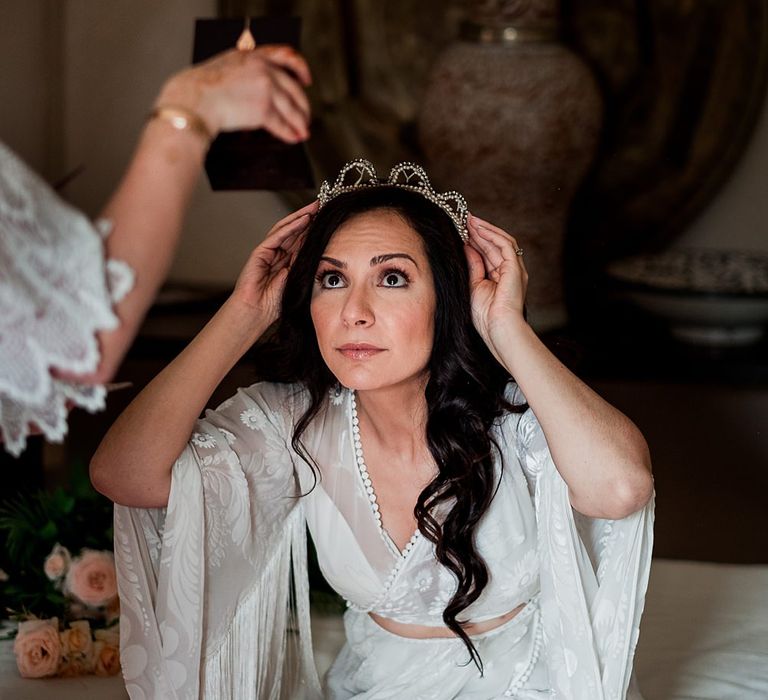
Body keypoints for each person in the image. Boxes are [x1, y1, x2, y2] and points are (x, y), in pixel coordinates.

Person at [91, 160, 655, 699]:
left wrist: (502, 326)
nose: (354, 311)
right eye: (331, 279)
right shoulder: (295, 422)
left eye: (391, 278)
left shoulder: (515, 417)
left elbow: (622, 488)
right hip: (370, 686)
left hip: (526, 686)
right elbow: (124, 475)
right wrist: (244, 313)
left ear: (447, 299)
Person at [0, 44, 312, 456]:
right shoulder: (281, 424)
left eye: (392, 278)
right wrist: (191, 105)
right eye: (334, 277)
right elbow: (74, 347)